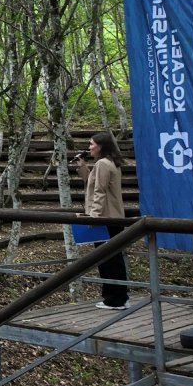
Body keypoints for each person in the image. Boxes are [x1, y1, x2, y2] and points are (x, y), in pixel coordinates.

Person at [75, 132, 129, 310]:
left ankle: (114, 299)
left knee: (108, 260)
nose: (89, 147)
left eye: (92, 144)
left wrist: (94, 217)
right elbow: (94, 184)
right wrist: (83, 168)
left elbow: (100, 192)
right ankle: (119, 297)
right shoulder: (110, 163)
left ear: (101, 146)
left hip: (106, 218)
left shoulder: (102, 164)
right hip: (113, 217)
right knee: (113, 258)